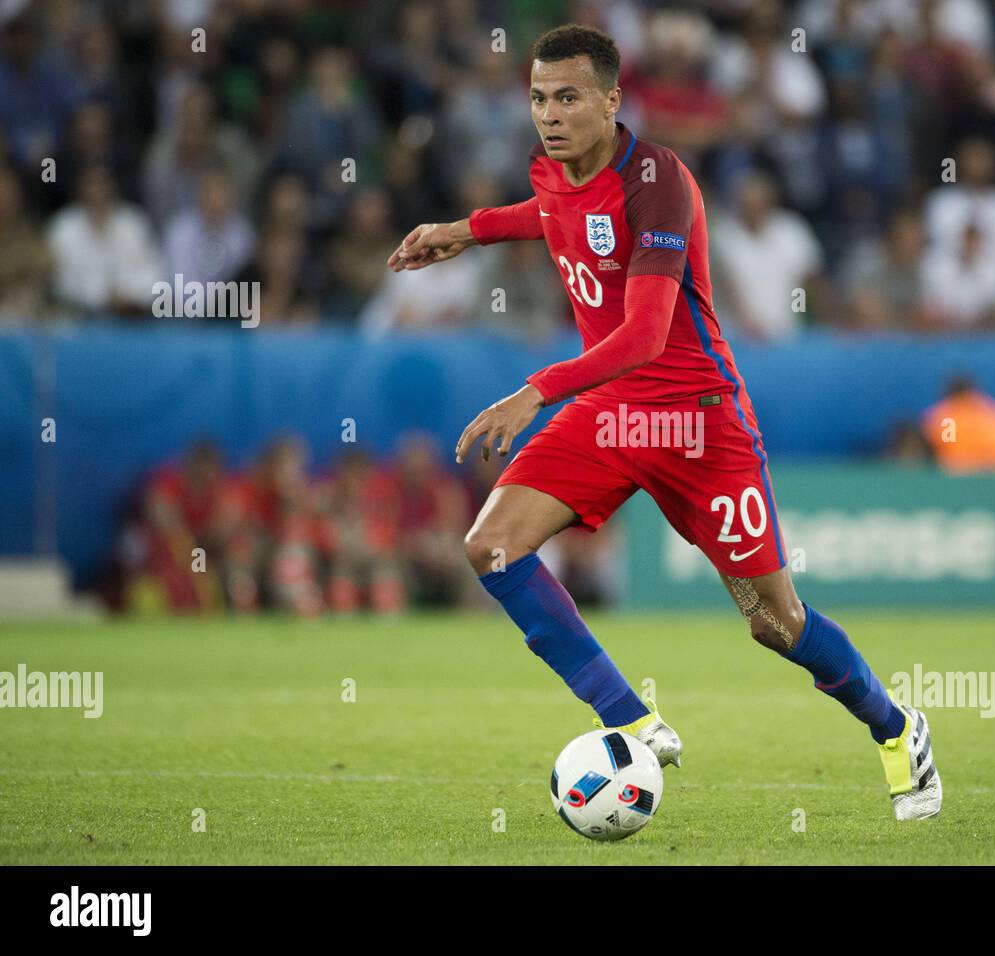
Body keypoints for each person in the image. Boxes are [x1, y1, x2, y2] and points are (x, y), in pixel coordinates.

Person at [387, 25, 940, 821]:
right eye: (539, 98)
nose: (550, 113)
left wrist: (534, 391)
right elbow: (551, 212)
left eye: (569, 97)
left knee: (775, 624)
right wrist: (463, 231)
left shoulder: (659, 183)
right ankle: (629, 718)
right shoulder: (554, 170)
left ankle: (896, 729)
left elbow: (644, 336)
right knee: (492, 546)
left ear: (612, 101)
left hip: (700, 423)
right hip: (611, 413)